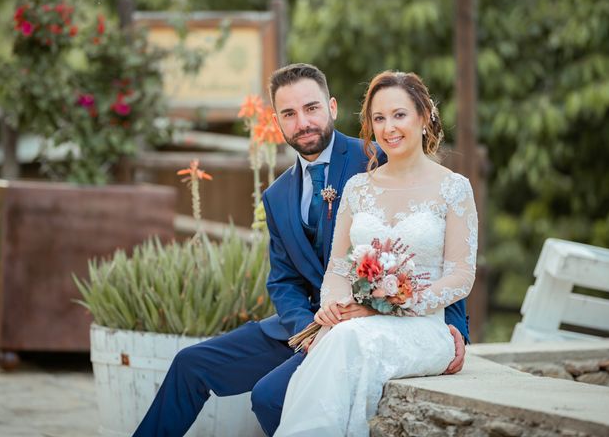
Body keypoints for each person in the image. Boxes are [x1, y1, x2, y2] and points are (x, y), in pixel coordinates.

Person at [133, 64, 469, 437]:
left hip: (369, 325)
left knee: (271, 397)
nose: (303, 122)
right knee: (190, 363)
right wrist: (308, 331)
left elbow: (429, 244)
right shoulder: (277, 195)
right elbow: (283, 280)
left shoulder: (376, 156)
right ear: (277, 121)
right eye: (289, 114)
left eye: (311, 108)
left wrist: (453, 329)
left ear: (333, 107)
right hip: (300, 328)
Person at [274, 70, 478, 437]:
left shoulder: (454, 188)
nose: (389, 128)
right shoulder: (357, 188)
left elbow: (461, 276)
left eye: (399, 115)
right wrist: (333, 306)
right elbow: (338, 267)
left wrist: (392, 303)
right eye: (379, 118)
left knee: (346, 341)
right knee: (339, 337)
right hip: (357, 325)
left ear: (423, 115)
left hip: (424, 328)